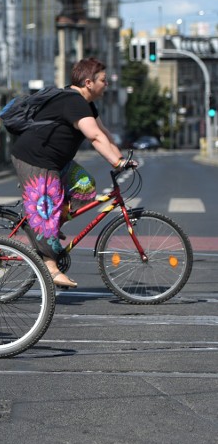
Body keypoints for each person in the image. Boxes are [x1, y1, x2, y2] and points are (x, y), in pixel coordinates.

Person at [10, 58, 133, 288]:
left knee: (84, 185)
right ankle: (50, 267)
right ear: (88, 82)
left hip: (57, 161)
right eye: (103, 81)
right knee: (49, 203)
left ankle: (46, 227)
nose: (107, 85)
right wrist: (116, 162)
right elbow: (94, 137)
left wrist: (122, 158)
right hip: (35, 159)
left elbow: (103, 133)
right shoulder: (73, 102)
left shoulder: (85, 103)